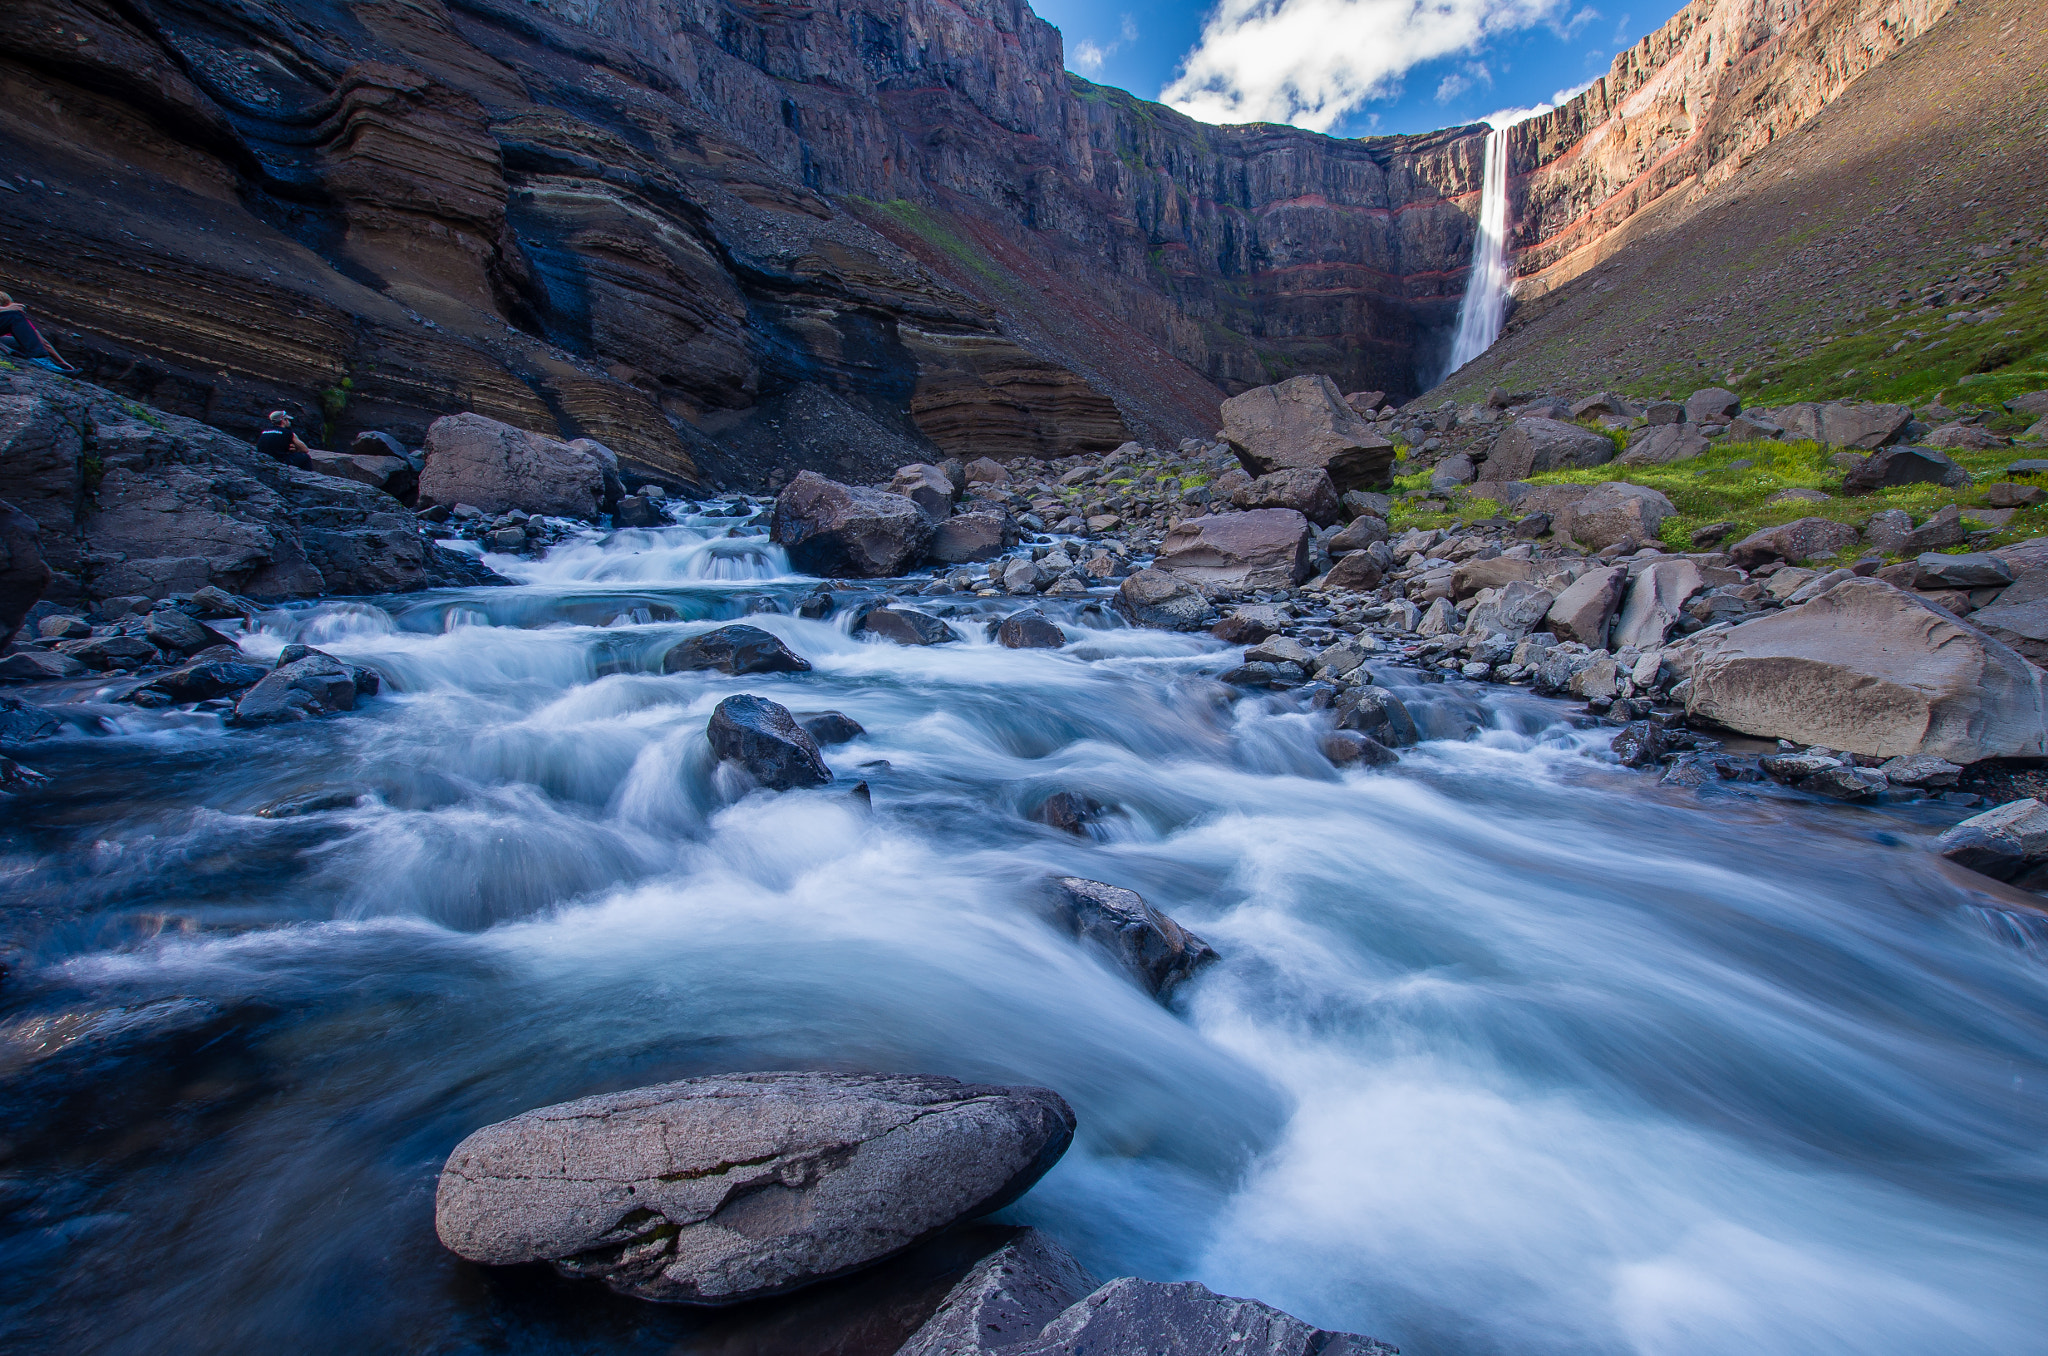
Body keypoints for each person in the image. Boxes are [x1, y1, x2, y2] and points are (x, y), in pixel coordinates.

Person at [0, 291, 80, 374]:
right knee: (15, 318)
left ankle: (47, 362)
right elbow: (43, 342)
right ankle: (41, 360)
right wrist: (61, 361)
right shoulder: (12, 316)